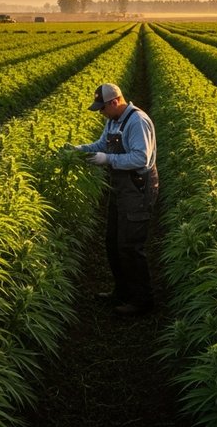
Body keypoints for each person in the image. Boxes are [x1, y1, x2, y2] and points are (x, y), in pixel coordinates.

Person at [72, 82, 159, 316]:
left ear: (115, 102)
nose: (101, 113)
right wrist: (80, 150)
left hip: (138, 189)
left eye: (102, 108)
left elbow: (141, 158)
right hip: (120, 188)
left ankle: (142, 301)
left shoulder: (137, 121)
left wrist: (107, 160)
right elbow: (102, 145)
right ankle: (122, 292)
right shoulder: (113, 120)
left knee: (130, 247)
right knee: (113, 243)